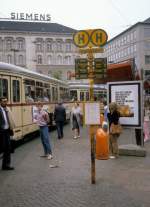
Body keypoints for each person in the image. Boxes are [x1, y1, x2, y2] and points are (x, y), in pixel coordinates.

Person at [0, 97, 16, 170]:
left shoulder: (7, 109)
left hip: (7, 131)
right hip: (1, 132)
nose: (5, 103)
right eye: (4, 101)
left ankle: (6, 165)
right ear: (0, 102)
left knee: (8, 148)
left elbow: (10, 120)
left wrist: (11, 129)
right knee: (2, 148)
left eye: (6, 101)